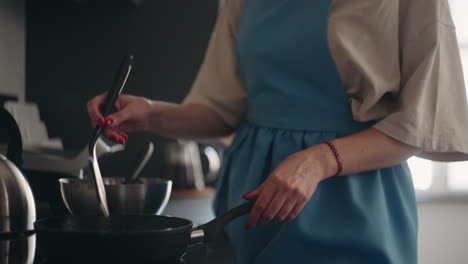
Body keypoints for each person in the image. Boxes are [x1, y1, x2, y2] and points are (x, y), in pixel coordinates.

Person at [87, 0, 468, 263]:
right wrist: (150, 114)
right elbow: (223, 110)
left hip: (355, 207)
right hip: (250, 210)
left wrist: (319, 160)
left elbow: (423, 122)